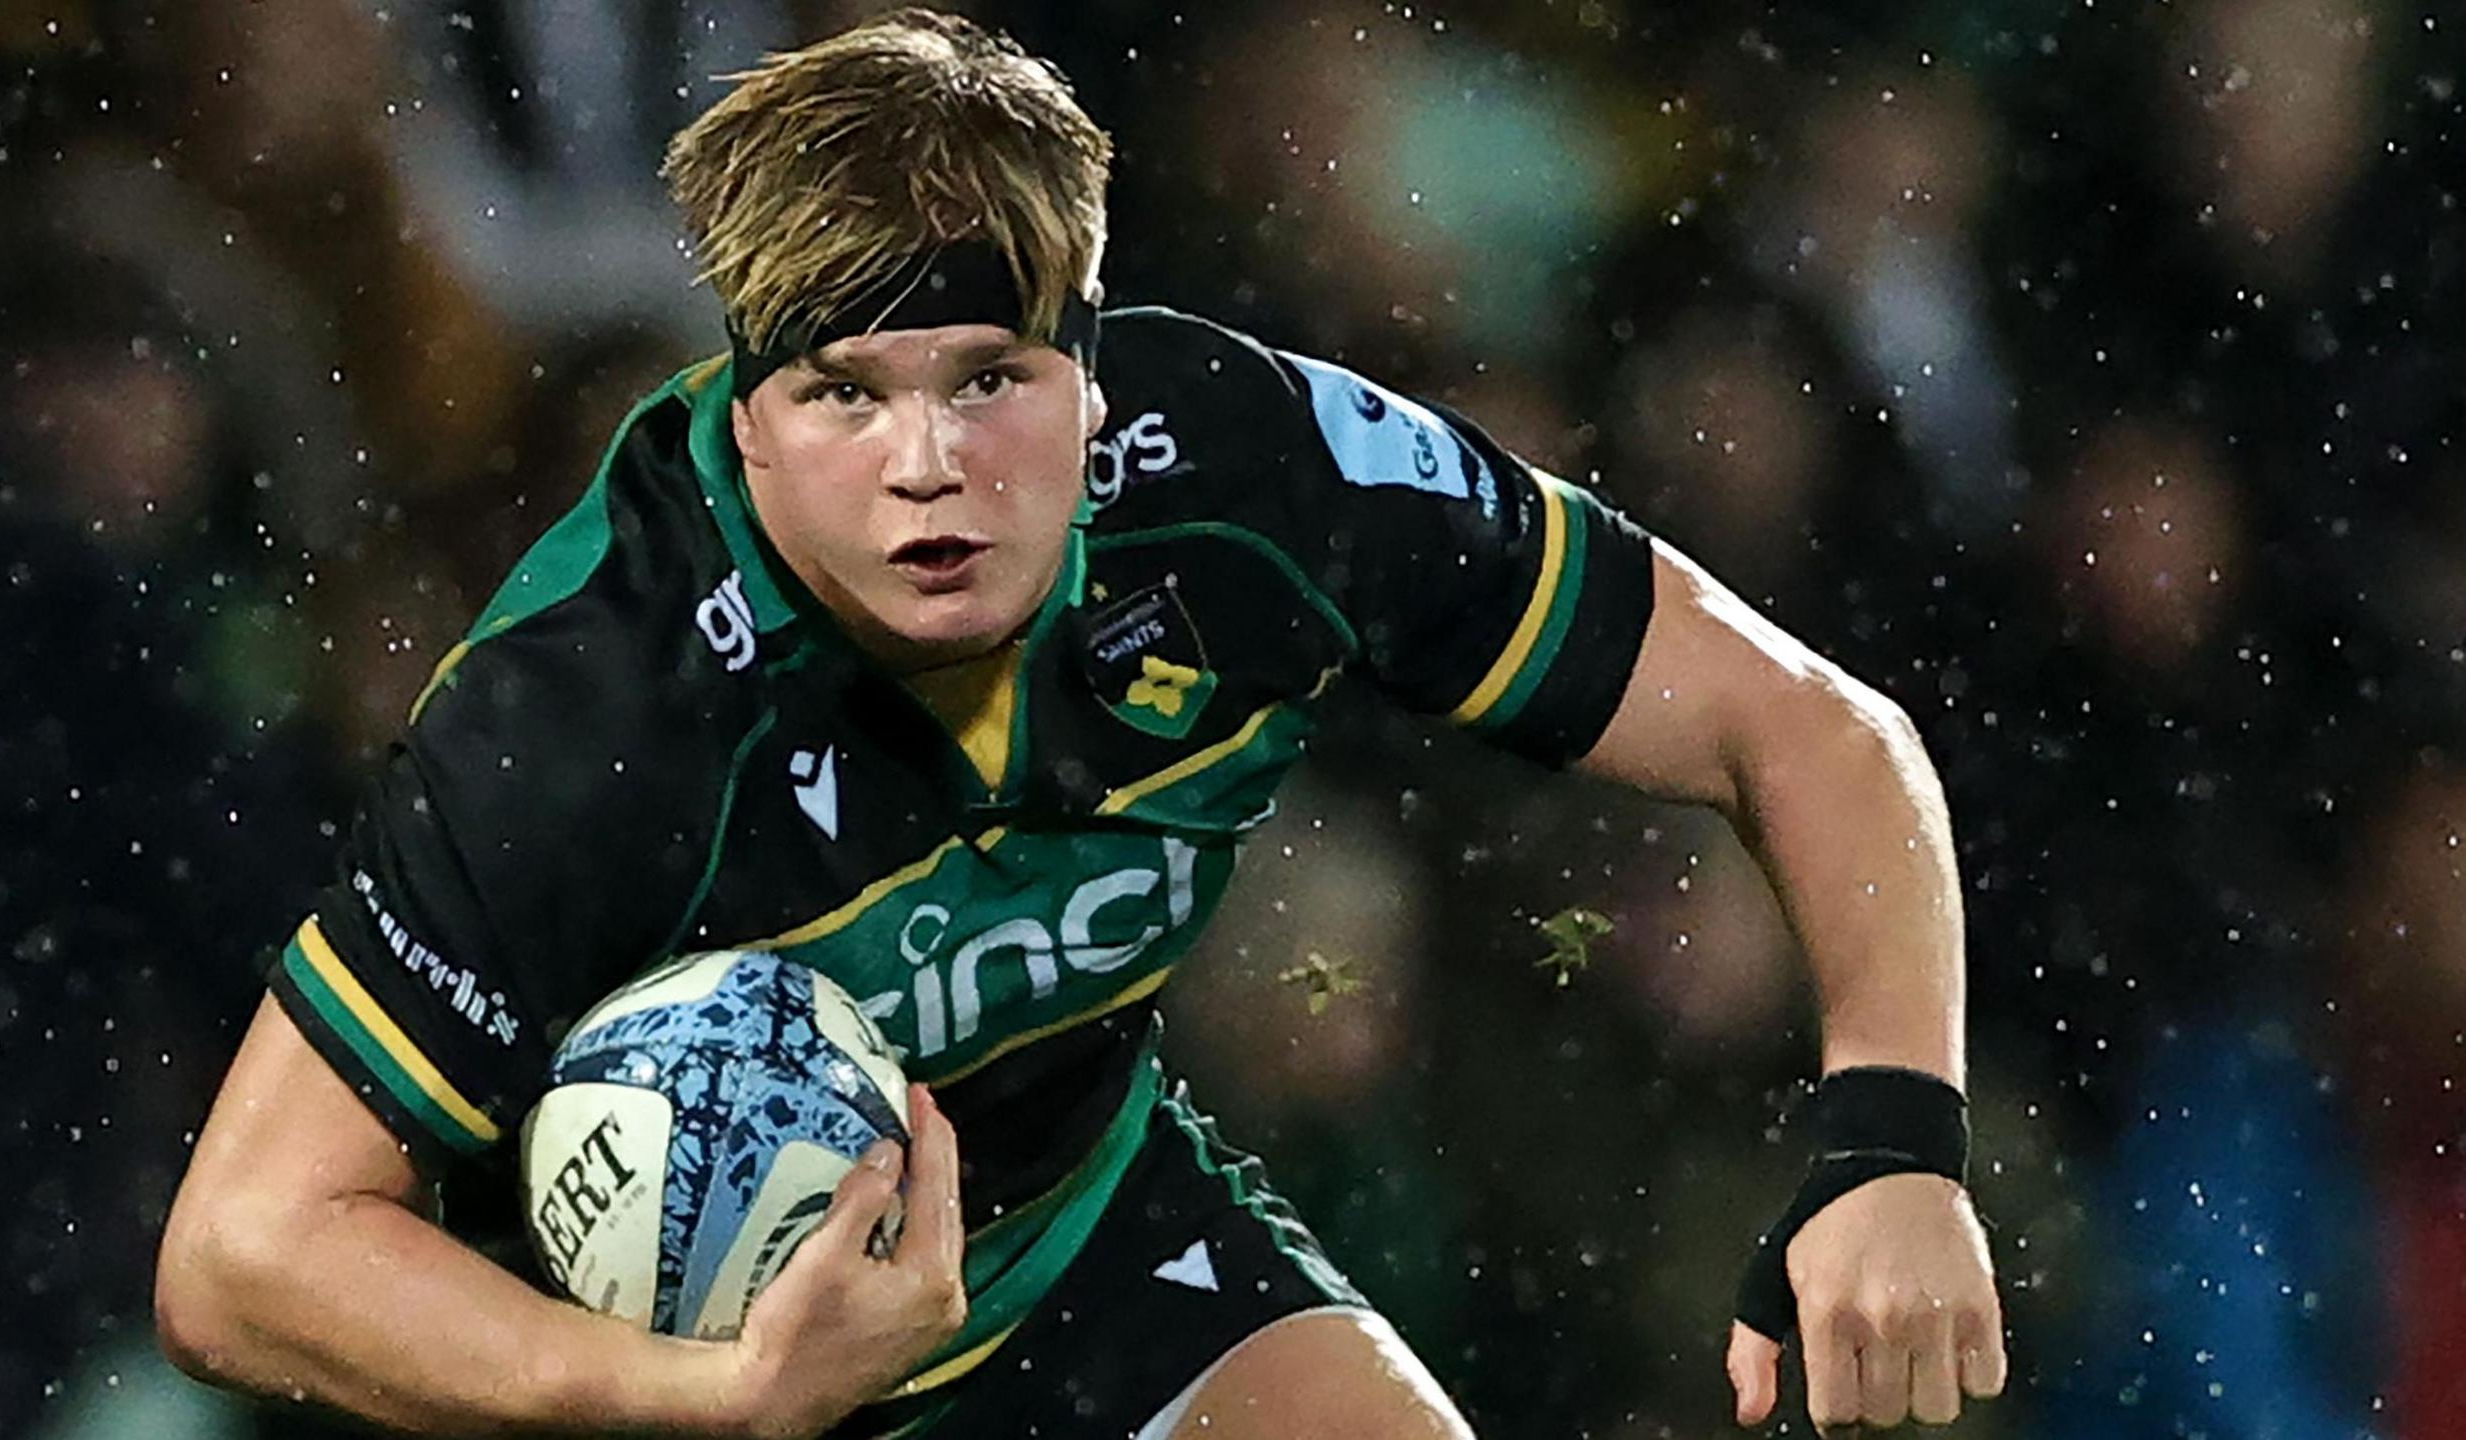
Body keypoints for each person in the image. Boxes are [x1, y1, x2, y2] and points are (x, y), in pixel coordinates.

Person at [153, 11, 2007, 1438]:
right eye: (844, 395)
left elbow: (1811, 731)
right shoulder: (592, 705)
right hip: (624, 1381)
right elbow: (240, 1258)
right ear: (742, 410)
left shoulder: (1260, 470)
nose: (931, 468)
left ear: (1091, 359)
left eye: (990, 378)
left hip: (1072, 1230)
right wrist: (710, 1402)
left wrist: (1893, 1149)